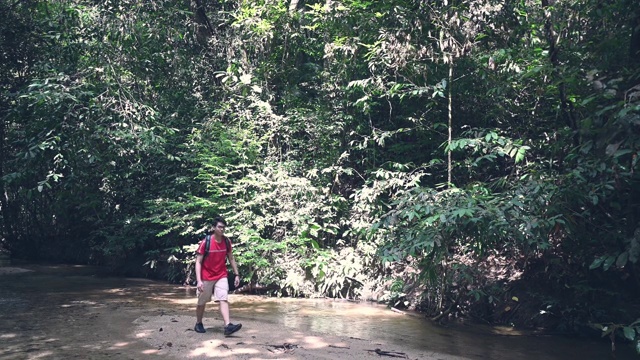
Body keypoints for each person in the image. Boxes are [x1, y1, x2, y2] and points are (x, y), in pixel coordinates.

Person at [194, 216, 242, 336]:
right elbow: (198, 262)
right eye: (219, 227)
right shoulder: (206, 242)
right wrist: (199, 281)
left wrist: (236, 274)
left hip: (221, 274)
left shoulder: (226, 241)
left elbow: (231, 258)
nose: (222, 229)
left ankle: (227, 325)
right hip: (206, 276)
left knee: (223, 298)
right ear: (214, 228)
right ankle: (198, 323)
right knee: (202, 301)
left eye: (223, 227)